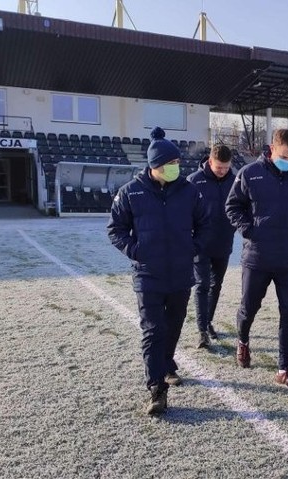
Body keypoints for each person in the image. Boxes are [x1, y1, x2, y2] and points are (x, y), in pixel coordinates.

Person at [107, 127, 209, 414]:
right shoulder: (131, 192)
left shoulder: (190, 192)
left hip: (180, 275)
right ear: (155, 166)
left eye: (178, 163)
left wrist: (193, 248)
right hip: (148, 276)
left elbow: (205, 224)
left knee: (173, 328)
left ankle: (166, 365)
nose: (177, 168)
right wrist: (136, 251)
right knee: (153, 330)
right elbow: (116, 230)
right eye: (171, 164)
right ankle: (156, 389)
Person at [225, 129, 288, 391]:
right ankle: (242, 341)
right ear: (273, 150)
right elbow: (232, 207)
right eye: (286, 156)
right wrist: (249, 230)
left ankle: (283, 369)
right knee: (248, 308)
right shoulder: (250, 174)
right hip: (257, 258)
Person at [187, 144, 235, 349]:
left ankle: (208, 321)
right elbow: (185, 211)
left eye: (226, 167)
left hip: (224, 242)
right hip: (200, 243)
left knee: (216, 285)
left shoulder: (235, 180)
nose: (223, 171)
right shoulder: (194, 181)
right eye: (219, 168)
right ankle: (202, 331)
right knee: (202, 285)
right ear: (210, 162)